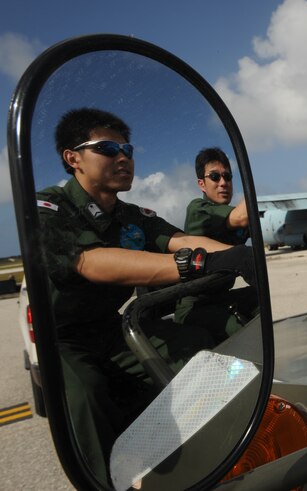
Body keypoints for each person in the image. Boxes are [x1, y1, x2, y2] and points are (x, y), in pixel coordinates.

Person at [36, 108, 256, 486]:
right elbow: (91, 262)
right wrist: (196, 265)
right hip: (65, 340)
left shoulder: (132, 215)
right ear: (73, 158)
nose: (123, 157)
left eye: (127, 149)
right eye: (107, 148)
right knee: (85, 397)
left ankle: (217, 454)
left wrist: (239, 257)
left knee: (200, 350)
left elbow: (182, 240)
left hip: (111, 328)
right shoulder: (50, 207)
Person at [174, 147, 258, 341]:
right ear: (201, 184)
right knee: (243, 336)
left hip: (220, 298)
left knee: (264, 301)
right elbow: (242, 217)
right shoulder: (198, 210)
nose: (223, 183)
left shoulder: (228, 212)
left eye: (227, 177)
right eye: (215, 177)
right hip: (195, 306)